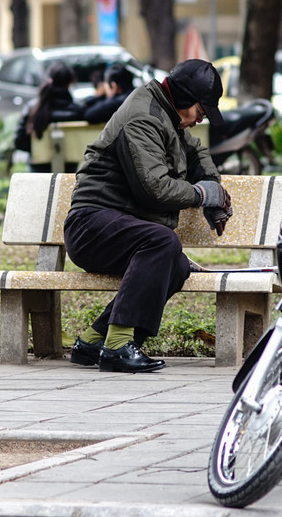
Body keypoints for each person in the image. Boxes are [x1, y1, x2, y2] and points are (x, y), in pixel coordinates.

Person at [64, 59, 233, 373]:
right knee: (162, 243)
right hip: (91, 225)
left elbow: (196, 152)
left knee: (177, 265)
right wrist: (201, 195)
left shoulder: (167, 112)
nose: (200, 119)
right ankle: (117, 348)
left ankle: (93, 341)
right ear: (184, 100)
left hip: (117, 225)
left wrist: (214, 189)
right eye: (201, 110)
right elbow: (153, 189)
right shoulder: (144, 117)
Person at [13, 62, 84, 171]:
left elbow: (19, 141)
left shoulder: (32, 108)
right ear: (69, 83)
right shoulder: (78, 110)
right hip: (68, 169)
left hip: (38, 170)